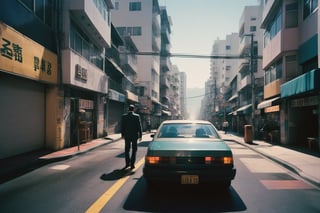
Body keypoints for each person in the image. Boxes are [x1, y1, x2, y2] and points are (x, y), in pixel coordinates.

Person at [121, 105, 142, 169]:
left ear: (128, 109)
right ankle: (132, 164)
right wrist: (140, 135)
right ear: (133, 109)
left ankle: (127, 163)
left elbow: (122, 126)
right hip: (134, 135)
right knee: (134, 150)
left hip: (127, 135)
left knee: (127, 150)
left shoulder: (124, 116)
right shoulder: (137, 116)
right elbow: (139, 126)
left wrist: (122, 135)